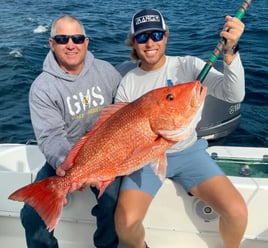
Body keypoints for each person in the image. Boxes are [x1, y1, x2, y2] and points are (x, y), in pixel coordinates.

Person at [114, 9, 248, 248]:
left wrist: (230, 51)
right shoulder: (128, 84)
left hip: (189, 153)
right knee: (125, 224)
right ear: (133, 43)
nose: (150, 42)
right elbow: (120, 134)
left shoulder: (189, 66)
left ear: (166, 36)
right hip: (146, 158)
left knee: (237, 212)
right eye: (142, 37)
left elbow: (233, 94)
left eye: (156, 34)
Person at [20, 15, 122, 248]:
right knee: (31, 215)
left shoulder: (107, 71)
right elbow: (51, 137)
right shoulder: (42, 88)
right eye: (62, 38)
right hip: (66, 160)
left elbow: (123, 115)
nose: (70, 44)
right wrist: (71, 167)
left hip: (107, 154)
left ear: (86, 42)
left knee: (113, 200)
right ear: (51, 44)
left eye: (76, 38)